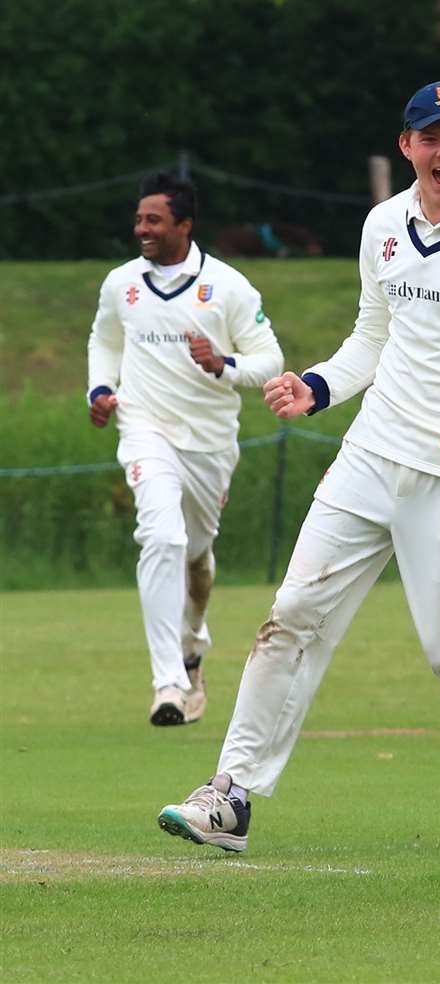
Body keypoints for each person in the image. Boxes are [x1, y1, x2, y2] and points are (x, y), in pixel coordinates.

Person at [157, 81, 440, 852]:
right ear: (406, 146)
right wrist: (316, 387)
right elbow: (372, 339)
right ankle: (231, 795)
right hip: (373, 453)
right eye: (428, 138)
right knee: (291, 617)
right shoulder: (382, 225)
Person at [87, 172, 284, 727]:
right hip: (145, 428)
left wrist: (223, 364)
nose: (141, 229)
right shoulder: (121, 283)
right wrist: (100, 390)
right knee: (162, 535)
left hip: (210, 444)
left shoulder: (229, 287)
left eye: (153, 220)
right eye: (139, 219)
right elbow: (104, 340)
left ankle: (193, 644)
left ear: (184, 225)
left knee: (195, 556)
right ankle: (169, 683)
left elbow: (270, 359)